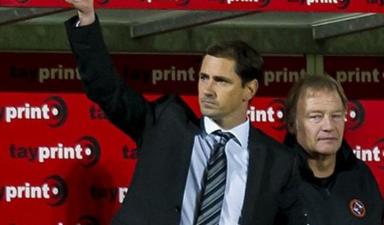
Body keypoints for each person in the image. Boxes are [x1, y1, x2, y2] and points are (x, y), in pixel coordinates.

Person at [64, 1, 298, 225]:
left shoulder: (277, 162)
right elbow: (107, 89)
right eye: (204, 78)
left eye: (221, 81)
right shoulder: (165, 125)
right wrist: (86, 19)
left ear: (249, 89)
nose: (208, 90)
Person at [284, 75, 384, 225]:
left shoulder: (360, 175)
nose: (329, 126)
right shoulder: (275, 180)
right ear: (292, 124)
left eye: (336, 116)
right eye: (316, 117)